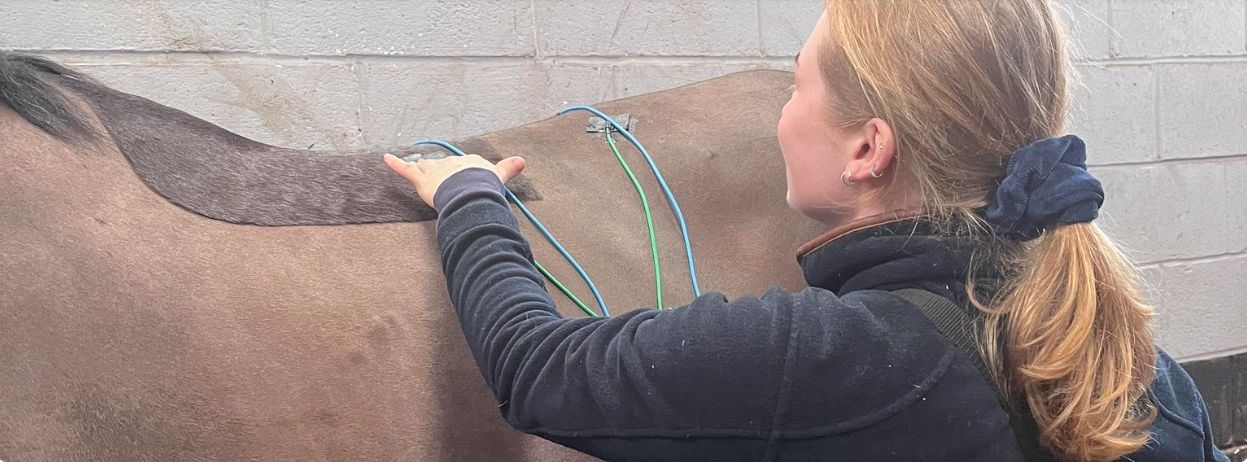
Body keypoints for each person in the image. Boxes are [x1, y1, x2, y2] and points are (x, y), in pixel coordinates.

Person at [382, 1, 1230, 460]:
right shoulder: (1134, 360)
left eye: (795, 87)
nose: (781, 115)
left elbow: (538, 371)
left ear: (868, 148)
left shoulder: (834, 355)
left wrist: (467, 197)